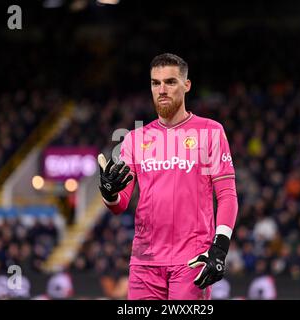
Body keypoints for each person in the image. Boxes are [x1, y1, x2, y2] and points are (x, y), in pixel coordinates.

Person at [97, 53, 238, 300]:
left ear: (187, 85)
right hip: (144, 263)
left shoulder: (210, 132)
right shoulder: (135, 138)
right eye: (155, 83)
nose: (162, 89)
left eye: (170, 82)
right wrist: (108, 191)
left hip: (192, 261)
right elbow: (119, 204)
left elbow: (227, 195)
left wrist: (220, 248)